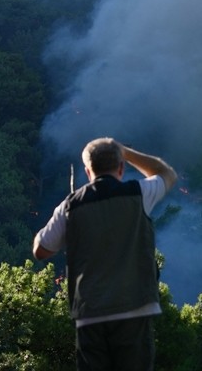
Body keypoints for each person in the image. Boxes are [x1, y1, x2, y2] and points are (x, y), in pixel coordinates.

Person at [33, 138, 178, 371]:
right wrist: (126, 151)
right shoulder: (139, 193)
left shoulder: (70, 206)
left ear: (88, 171)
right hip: (135, 306)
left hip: (91, 312)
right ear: (121, 168)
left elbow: (41, 250)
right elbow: (166, 173)